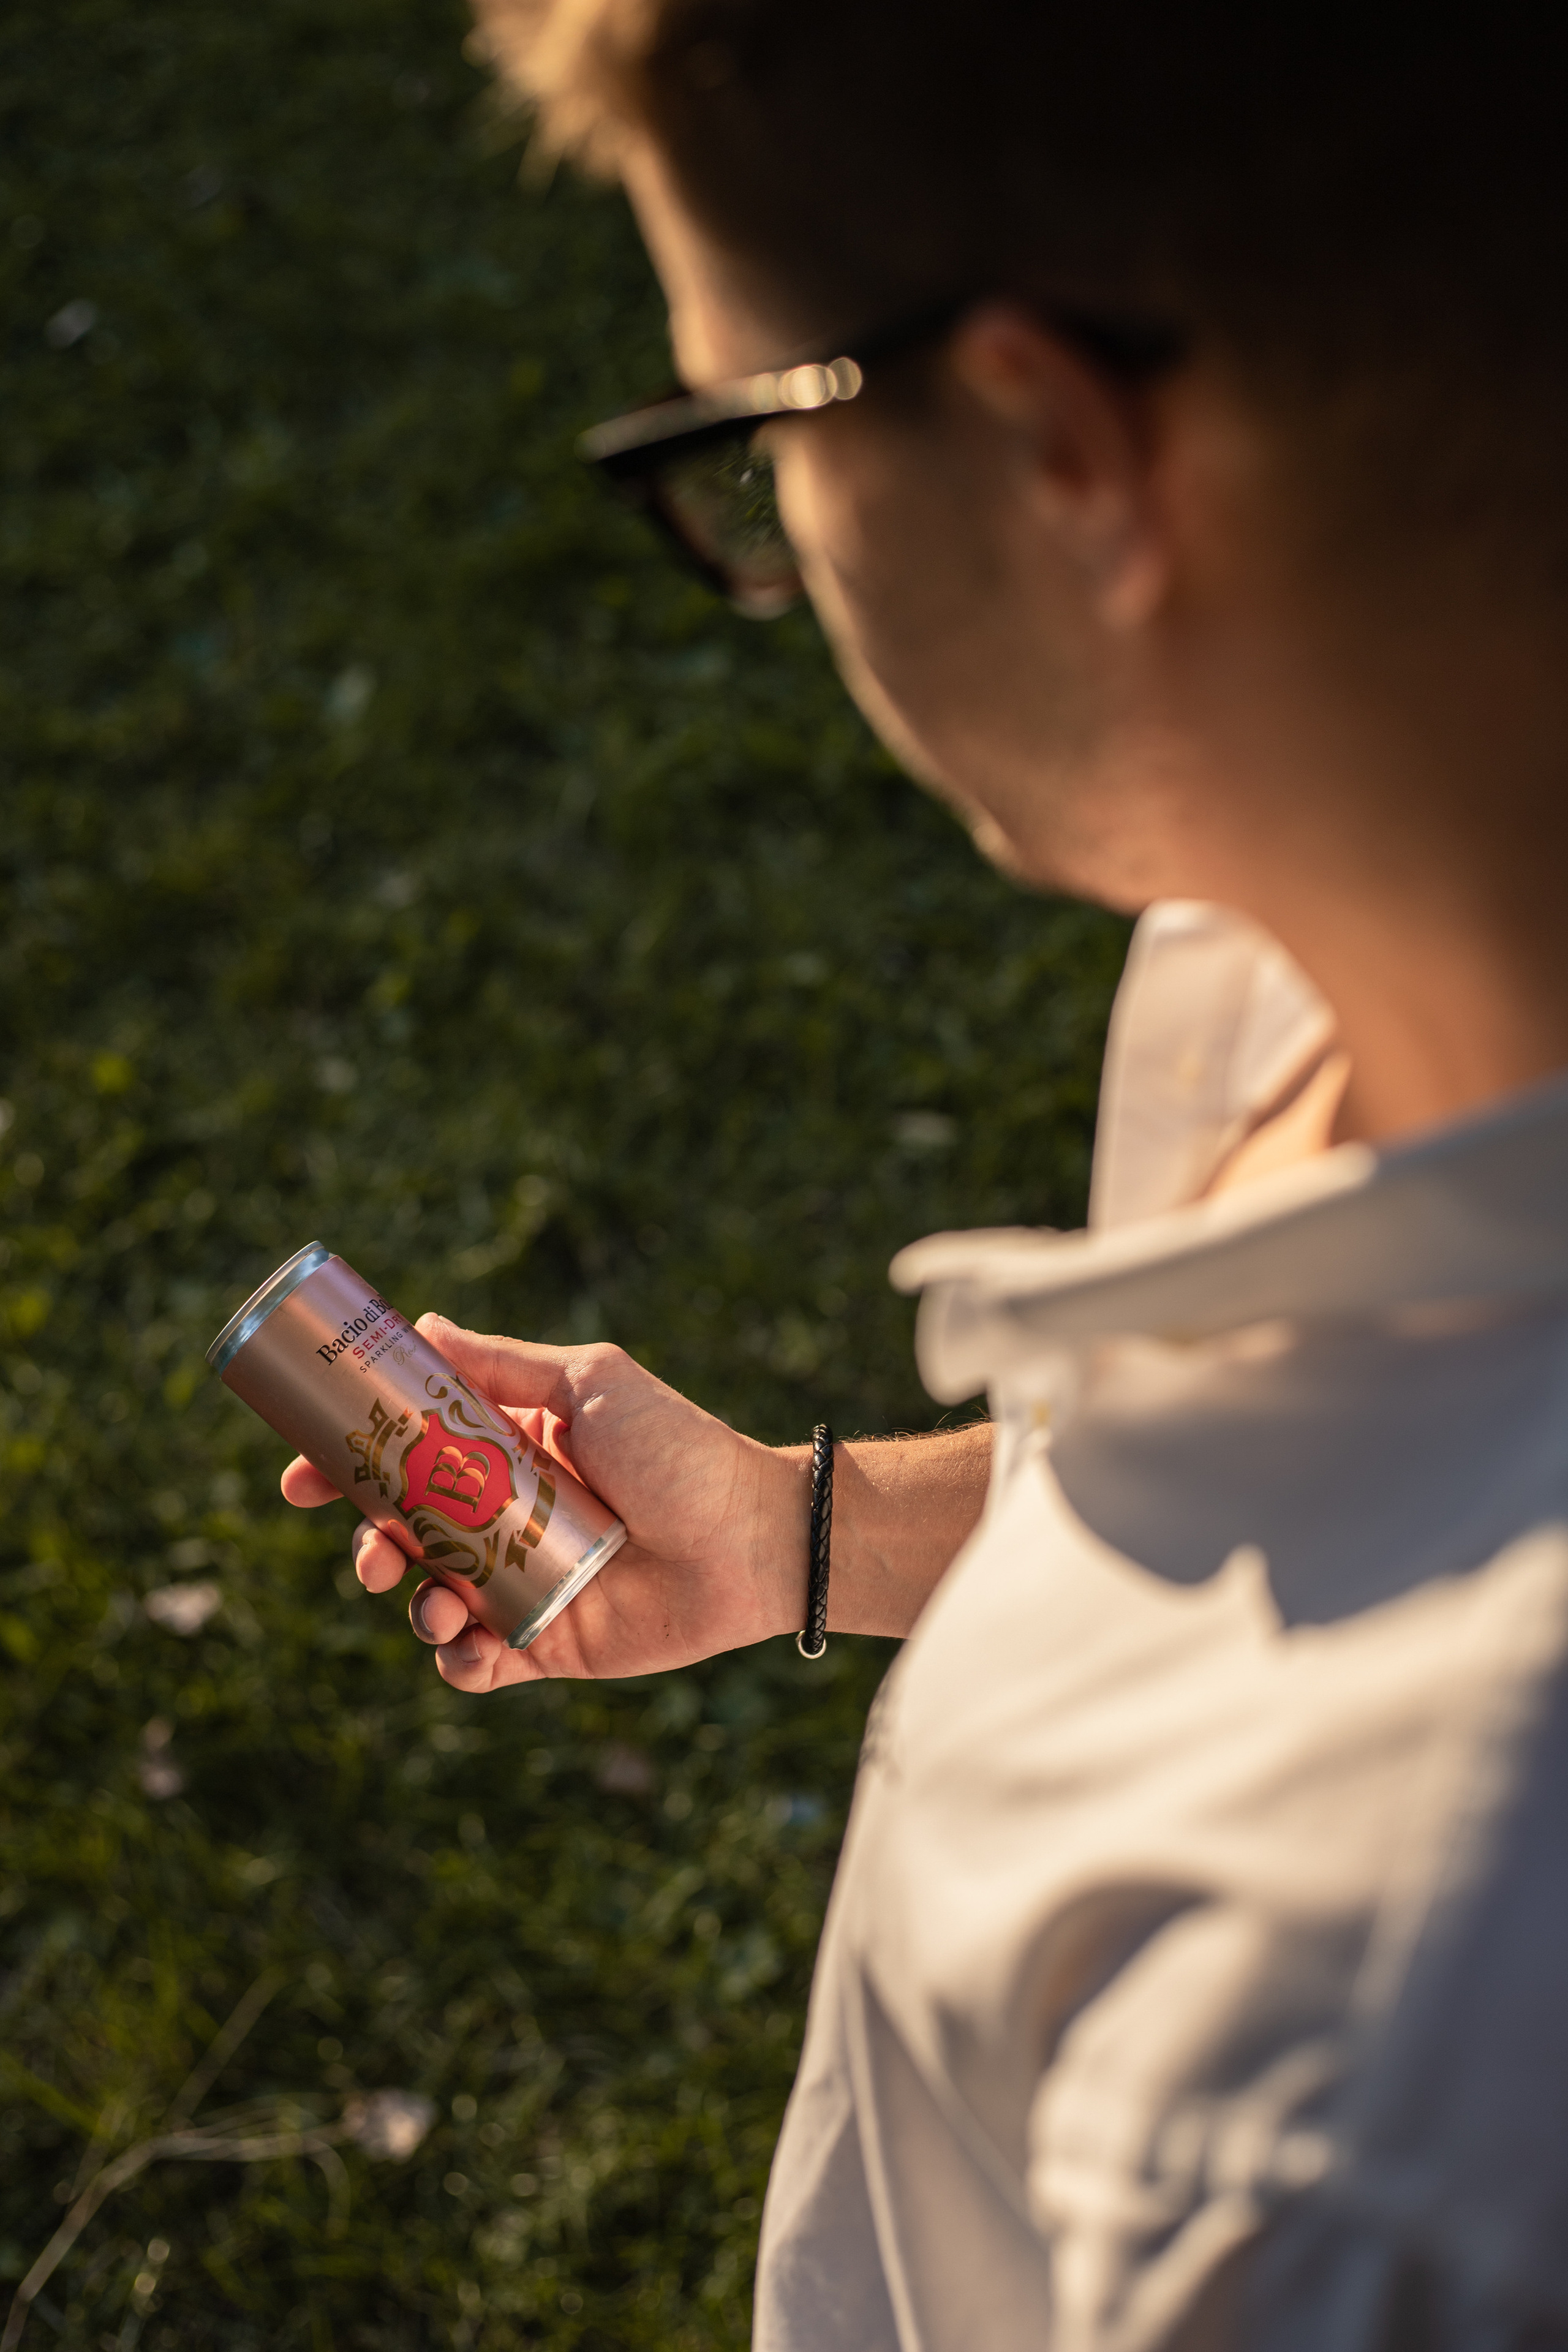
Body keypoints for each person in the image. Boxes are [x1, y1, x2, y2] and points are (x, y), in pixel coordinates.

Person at [284, 3, 1568, 2343]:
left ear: (1051, 447)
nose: (778, 534)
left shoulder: (1362, 2116)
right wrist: (809, 1529)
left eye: (755, 437)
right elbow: (1310, 1476)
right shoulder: (1316, 932)